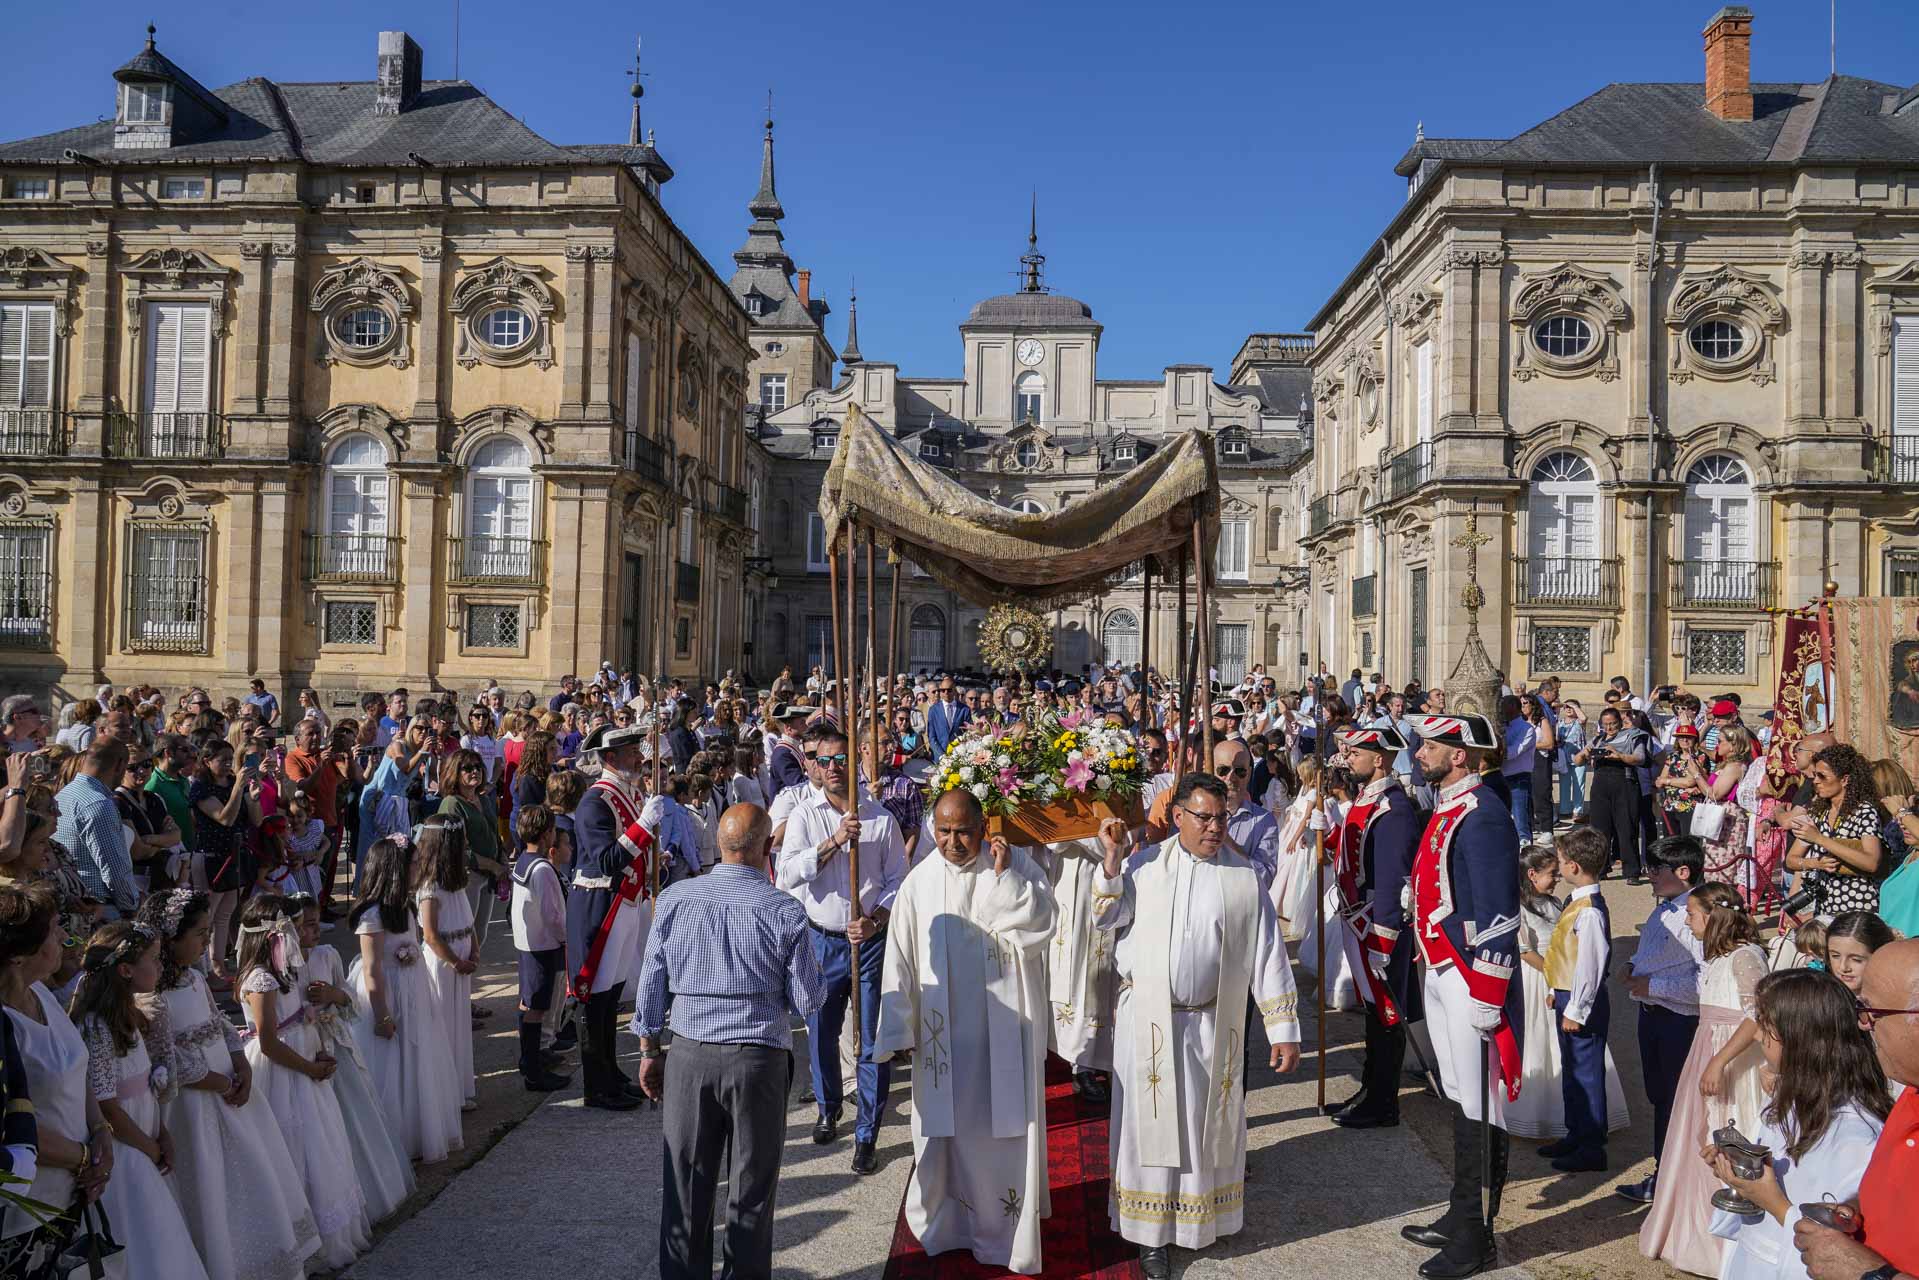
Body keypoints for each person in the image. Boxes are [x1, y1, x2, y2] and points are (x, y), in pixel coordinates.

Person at [1092, 774, 1301, 1279]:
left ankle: (1199, 1220)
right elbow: (1105, 918)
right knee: (1149, 1131)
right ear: (1178, 816)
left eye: (1221, 818)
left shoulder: (1243, 876)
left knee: (1201, 1130)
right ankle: (1149, 1237)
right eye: (1203, 817)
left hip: (1210, 1022)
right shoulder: (1144, 866)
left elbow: (1267, 953)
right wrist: (1112, 863)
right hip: (1149, 1023)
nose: (1214, 827)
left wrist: (1283, 1027)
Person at [635, 803, 823, 1280]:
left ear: (719, 844)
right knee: (751, 1191)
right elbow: (807, 1000)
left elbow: (651, 981)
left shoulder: (676, 899)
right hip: (757, 1059)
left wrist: (649, 1050)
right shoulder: (783, 909)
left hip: (690, 1053)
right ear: (768, 847)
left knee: (685, 1187)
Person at [875, 790, 1057, 1274]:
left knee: (1004, 1139)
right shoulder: (919, 882)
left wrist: (1003, 878)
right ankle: (948, 1226)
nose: (952, 842)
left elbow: (1043, 924)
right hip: (944, 1043)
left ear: (983, 827)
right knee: (945, 1135)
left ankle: (1004, 1236)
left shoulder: (1014, 865)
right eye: (943, 831)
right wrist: (898, 1028)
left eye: (963, 832)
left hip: (1005, 1038)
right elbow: (899, 958)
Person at [136, 886, 322, 1280]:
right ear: (169, 939)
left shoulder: (194, 977)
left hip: (231, 1090)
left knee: (251, 1176)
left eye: (209, 931)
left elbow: (220, 1022)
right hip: (193, 1104)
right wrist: (218, 1081)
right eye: (200, 933)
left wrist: (241, 1064)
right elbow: (168, 1055)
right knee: (209, 1185)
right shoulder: (152, 995)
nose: (208, 940)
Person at [777, 723, 910, 1175]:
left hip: (868, 942)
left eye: (841, 760)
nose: (833, 768)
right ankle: (828, 1105)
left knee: (872, 1039)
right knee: (822, 1030)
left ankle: (867, 1133)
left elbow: (898, 881)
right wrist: (835, 841)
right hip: (822, 939)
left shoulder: (881, 818)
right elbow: (788, 874)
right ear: (814, 765)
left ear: (855, 763)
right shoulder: (804, 816)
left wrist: (875, 919)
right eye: (825, 760)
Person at [1708, 969, 1890, 1280]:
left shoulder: (1857, 1134)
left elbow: (1840, 1244)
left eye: (1766, 1027)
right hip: (1756, 1255)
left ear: (1801, 1039)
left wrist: (1773, 1202)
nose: (1757, 1036)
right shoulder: (1788, 1100)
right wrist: (1740, 1168)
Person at [69, 920, 213, 1280]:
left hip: (146, 1136)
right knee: (142, 1241)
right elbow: (107, 1105)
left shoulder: (132, 1014)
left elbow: (144, 1086)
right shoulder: (96, 1027)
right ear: (125, 970)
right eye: (153, 958)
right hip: (125, 1152)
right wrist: (150, 1149)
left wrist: (161, 1132)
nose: (161, 965)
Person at [234, 895, 371, 1267]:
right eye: (292, 930)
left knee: (320, 1148)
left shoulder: (286, 973)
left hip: (307, 1065)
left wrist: (320, 1054)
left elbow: (299, 1019)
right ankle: (302, 1243)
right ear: (274, 937)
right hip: (284, 1074)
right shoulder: (261, 980)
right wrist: (309, 1068)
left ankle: (329, 1237)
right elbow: (268, 1042)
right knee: (295, 1149)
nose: (298, 937)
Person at [1639, 883, 1768, 1277]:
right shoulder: (1716, 959)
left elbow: (1758, 1017)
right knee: (1695, 1135)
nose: (1689, 921)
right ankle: (1693, 1233)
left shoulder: (1747, 957)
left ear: (1712, 917)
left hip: (1734, 1063)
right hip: (1706, 1049)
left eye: (1693, 914)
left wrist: (1720, 1061)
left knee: (1728, 1132)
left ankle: (1730, 1243)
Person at [1790, 938, 1919, 1280]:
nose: (1863, 1023)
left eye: (1872, 1011)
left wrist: (1869, 1272)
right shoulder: (1911, 1090)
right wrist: (1857, 1209)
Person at [0, 883, 111, 1279]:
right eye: (52, 930)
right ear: (18, 955)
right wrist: (85, 1159)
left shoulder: (42, 994)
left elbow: (76, 1067)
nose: (64, 936)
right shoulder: (5, 1024)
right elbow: (10, 1124)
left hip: (72, 1193)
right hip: (26, 1211)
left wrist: (101, 1131)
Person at [289, 895, 414, 1221]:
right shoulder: (283, 969)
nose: (316, 930)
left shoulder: (327, 955)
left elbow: (352, 1002)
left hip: (336, 1045)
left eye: (317, 922)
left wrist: (333, 995)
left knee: (354, 1112)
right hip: (307, 1050)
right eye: (308, 925)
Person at [346, 835, 463, 1163]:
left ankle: (418, 1130)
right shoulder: (372, 915)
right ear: (394, 870)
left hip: (413, 988)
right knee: (390, 1062)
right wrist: (382, 1015)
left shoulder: (405, 907)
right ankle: (392, 1138)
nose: (417, 868)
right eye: (412, 864)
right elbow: (372, 969)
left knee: (417, 1055)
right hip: (387, 993)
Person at [1328, 725, 1423, 1131]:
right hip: (1357, 921)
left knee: (1386, 1012)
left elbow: (1391, 880)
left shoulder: (1393, 809)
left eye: (1356, 753)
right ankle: (1369, 1088)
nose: (1348, 758)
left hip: (1376, 927)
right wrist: (1327, 833)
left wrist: (1383, 940)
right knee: (1372, 1010)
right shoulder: (1368, 799)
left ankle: (1383, 1101)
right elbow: (1352, 853)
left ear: (1379, 759)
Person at [566, 722, 660, 1112]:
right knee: (595, 998)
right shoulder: (595, 801)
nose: (639, 758)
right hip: (602, 904)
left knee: (611, 997)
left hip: (626, 903)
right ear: (610, 758)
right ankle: (596, 1084)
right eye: (631, 753)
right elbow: (606, 859)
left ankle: (610, 1073)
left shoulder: (628, 793)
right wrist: (644, 826)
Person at [1616, 835, 1707, 1207]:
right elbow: (1650, 953)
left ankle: (1670, 1179)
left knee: (1675, 1102)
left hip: (1678, 1022)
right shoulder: (1661, 911)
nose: (1649, 875)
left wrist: (1652, 985)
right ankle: (1664, 1172)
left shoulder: (1699, 916)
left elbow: (1706, 981)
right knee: (1659, 1097)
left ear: (1683, 872)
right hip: (1651, 1015)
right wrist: (1632, 965)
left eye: (1656, 869)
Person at [1541, 826, 1620, 1173]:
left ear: (1573, 866)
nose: (1559, 867)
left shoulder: (1588, 911)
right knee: (1573, 1069)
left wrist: (1576, 1009)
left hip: (1580, 1002)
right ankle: (1576, 1132)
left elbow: (1590, 965)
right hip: (1566, 995)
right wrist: (1554, 990)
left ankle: (1591, 1146)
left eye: (1560, 861)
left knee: (1586, 1073)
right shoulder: (1577, 903)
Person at [413, 815, 477, 1111]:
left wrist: (474, 949)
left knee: (459, 1024)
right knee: (444, 1025)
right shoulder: (430, 887)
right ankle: (444, 1093)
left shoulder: (455, 882)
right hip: (443, 965)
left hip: (461, 960)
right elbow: (430, 934)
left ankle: (460, 1088)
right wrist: (455, 961)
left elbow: (468, 919)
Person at [507, 805, 572, 1093]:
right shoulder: (543, 869)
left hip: (527, 943)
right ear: (547, 834)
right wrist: (566, 938)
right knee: (537, 1008)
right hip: (543, 946)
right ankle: (534, 1072)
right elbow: (552, 915)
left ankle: (531, 1058)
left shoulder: (524, 859)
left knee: (529, 1003)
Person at [1783, 743, 1885, 916]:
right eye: (1815, 775)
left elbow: (1871, 862)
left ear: (1844, 780)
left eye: (1822, 776)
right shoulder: (1819, 812)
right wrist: (1815, 863)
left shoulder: (1864, 812)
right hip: (1825, 908)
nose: (1816, 781)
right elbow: (1791, 860)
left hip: (1857, 906)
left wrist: (1820, 839)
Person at [54, 735, 138, 919]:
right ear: (119, 765)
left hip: (73, 902)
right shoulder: (98, 804)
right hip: (99, 909)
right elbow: (114, 869)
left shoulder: (63, 794)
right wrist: (131, 907)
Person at [924, 679, 970, 760]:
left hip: (959, 757)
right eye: (943, 690)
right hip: (939, 758)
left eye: (949, 690)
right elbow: (932, 736)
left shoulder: (964, 709)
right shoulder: (933, 710)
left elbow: (968, 733)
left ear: (954, 691)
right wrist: (942, 755)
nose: (946, 693)